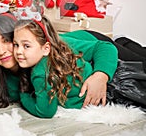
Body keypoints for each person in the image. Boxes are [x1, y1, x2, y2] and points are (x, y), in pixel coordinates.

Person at [0, 12, 119, 110]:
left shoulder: (48, 49)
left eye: (6, 41)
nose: (2, 52)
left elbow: (103, 48)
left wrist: (100, 76)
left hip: (92, 40)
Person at [13, 16, 146, 118]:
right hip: (99, 67)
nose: (18, 51)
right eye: (15, 45)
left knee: (139, 61)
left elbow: (104, 48)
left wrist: (100, 76)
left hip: (98, 44)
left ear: (46, 48)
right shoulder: (36, 58)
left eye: (26, 46)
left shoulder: (63, 48)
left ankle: (122, 40)